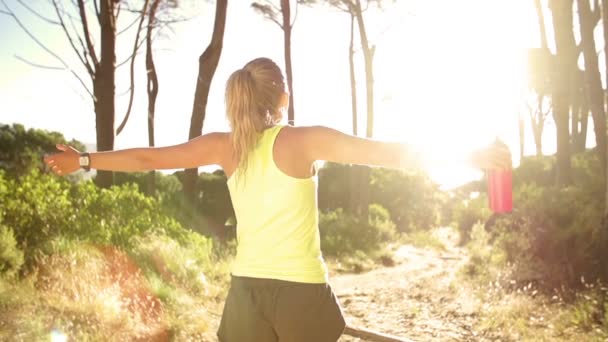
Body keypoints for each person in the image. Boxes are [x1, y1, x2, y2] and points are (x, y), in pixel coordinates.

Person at [44, 57, 511, 342]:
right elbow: (390, 154)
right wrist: (474, 155)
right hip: (301, 295)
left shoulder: (223, 146)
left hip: (245, 294)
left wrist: (84, 160)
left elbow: (147, 159)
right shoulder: (303, 140)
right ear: (282, 98)